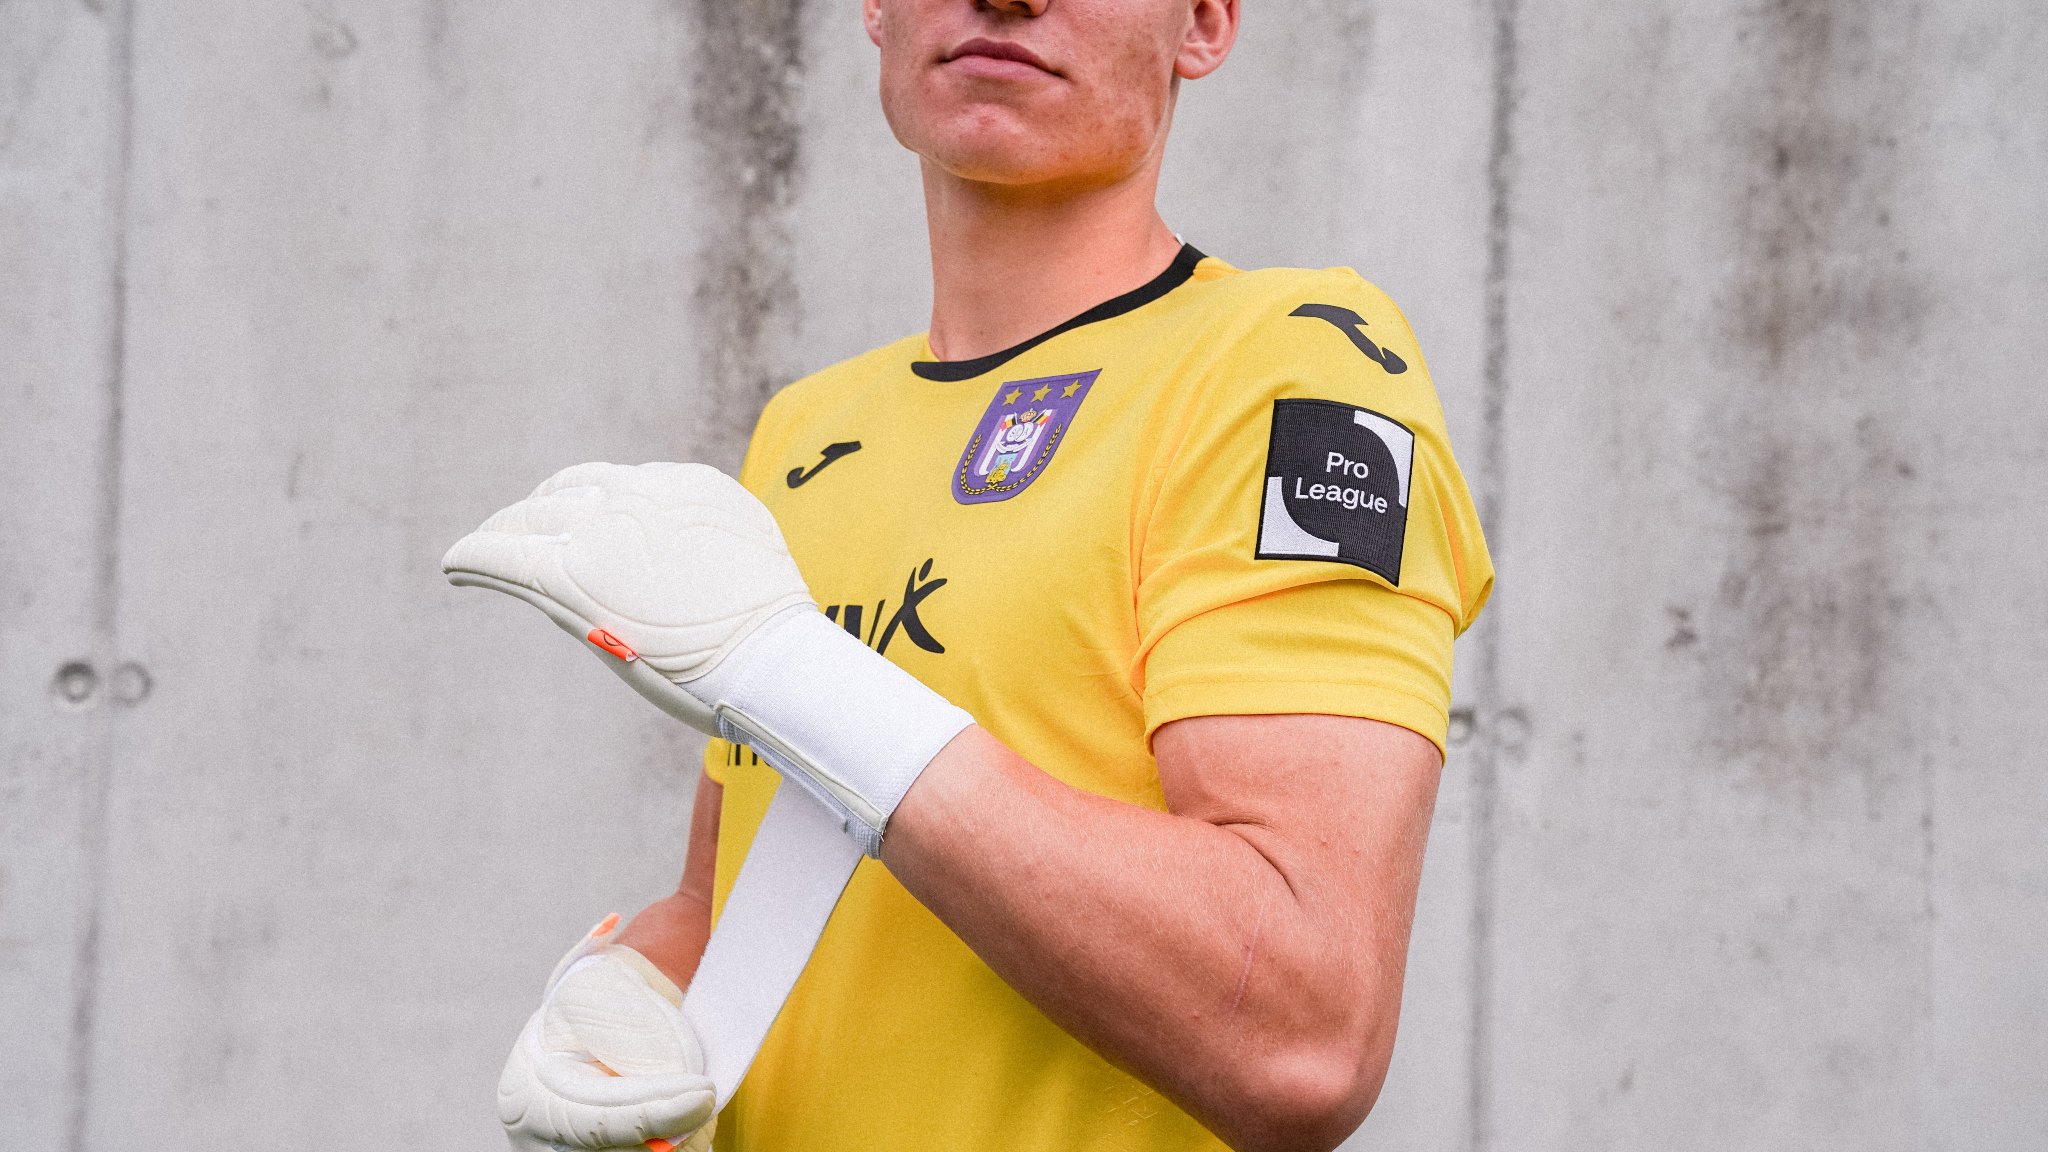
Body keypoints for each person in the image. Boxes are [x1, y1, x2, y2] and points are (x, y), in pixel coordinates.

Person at [448, 1, 1492, 1149]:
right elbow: (726, 900)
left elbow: (1303, 1032)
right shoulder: (808, 429)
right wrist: (623, 997)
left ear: (1200, 22)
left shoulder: (1289, 369)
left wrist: (796, 677)